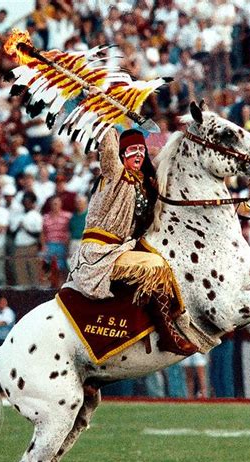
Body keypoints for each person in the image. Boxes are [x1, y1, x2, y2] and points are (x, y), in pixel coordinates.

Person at [66, 127, 197, 356]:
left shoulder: (143, 185)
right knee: (154, 266)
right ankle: (167, 335)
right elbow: (107, 152)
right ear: (122, 154)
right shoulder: (115, 174)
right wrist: (106, 120)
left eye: (141, 150)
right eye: (132, 150)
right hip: (99, 251)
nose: (138, 155)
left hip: (121, 248)